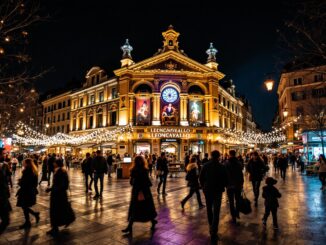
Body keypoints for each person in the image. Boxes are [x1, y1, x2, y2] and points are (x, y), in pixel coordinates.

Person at [122, 156, 157, 234]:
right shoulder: (145, 170)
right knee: (146, 208)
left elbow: (131, 182)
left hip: (138, 191)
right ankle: (152, 221)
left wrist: (136, 184)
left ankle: (129, 227)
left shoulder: (133, 170)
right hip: (145, 192)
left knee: (135, 209)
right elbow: (148, 182)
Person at [199, 150, 228, 243]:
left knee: (209, 209)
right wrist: (223, 186)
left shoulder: (205, 165)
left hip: (208, 190)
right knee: (216, 210)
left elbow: (201, 178)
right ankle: (214, 230)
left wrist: (203, 187)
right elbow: (226, 179)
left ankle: (211, 226)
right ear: (219, 156)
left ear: (211, 155)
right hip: (218, 191)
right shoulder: (222, 166)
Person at [46, 159, 75, 236]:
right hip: (57, 194)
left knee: (56, 210)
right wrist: (51, 189)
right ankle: (56, 227)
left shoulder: (61, 172)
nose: (53, 163)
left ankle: (56, 227)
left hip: (59, 195)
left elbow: (63, 185)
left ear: (57, 163)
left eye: (54, 162)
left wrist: (53, 189)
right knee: (58, 210)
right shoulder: (58, 170)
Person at [16, 158, 40, 229]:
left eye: (24, 162)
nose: (23, 163)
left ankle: (29, 221)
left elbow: (25, 182)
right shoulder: (34, 171)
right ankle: (31, 218)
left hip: (26, 191)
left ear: (27, 163)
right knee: (24, 206)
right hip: (30, 191)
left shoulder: (27, 171)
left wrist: (20, 182)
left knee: (24, 206)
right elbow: (34, 183)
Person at [225, 150, 244, 224]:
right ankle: (237, 213)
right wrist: (242, 183)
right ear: (235, 154)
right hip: (237, 184)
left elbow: (225, 174)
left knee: (231, 201)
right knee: (238, 200)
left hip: (229, 185)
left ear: (229, 154)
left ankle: (233, 217)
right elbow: (241, 174)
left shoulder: (226, 163)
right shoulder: (239, 163)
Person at [0, 148, 11, 233]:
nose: (5, 155)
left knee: (6, 220)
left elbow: (8, 176)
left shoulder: (5, 165)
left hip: (3, 192)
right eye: (3, 154)